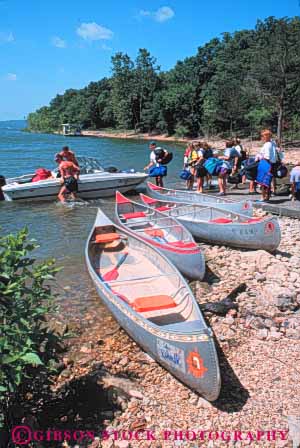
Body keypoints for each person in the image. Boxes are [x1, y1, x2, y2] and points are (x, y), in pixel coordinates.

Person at [255, 130, 276, 201]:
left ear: (266, 136)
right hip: (270, 164)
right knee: (267, 181)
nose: (261, 137)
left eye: (262, 136)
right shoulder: (272, 143)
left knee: (263, 182)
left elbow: (267, 157)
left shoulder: (267, 145)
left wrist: (260, 156)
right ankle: (267, 197)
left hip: (265, 164)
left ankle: (263, 197)